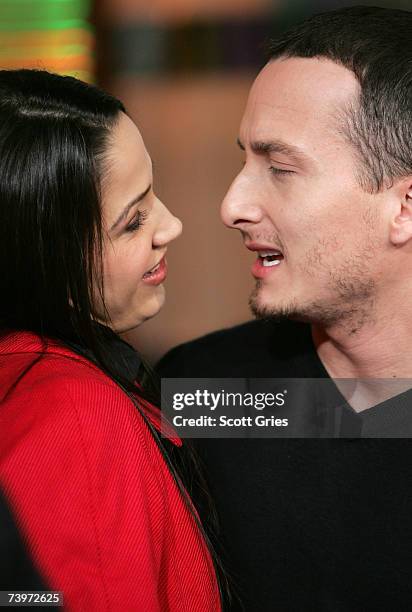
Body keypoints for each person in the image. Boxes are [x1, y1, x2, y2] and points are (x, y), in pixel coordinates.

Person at [158, 6, 412, 611]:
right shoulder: (200, 392)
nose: (232, 205)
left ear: (404, 206)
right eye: (243, 160)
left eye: (279, 167)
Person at [0, 69, 222, 611]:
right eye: (132, 220)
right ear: (42, 258)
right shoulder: (73, 412)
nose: (170, 225)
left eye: (154, 192)